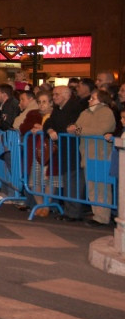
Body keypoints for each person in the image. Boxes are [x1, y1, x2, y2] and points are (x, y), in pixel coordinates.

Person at [69, 89, 116, 227]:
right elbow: (76, 127)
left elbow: (100, 130)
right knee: (92, 186)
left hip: (100, 153)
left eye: (93, 98)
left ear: (101, 100)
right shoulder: (85, 112)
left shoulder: (106, 112)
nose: (89, 100)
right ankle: (97, 212)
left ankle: (102, 216)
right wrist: (74, 129)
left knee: (100, 186)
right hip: (87, 153)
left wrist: (77, 130)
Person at [42, 85, 84, 221]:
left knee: (73, 180)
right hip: (63, 149)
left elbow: (65, 127)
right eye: (53, 95)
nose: (54, 97)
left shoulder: (74, 108)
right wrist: (49, 130)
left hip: (73, 149)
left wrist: (55, 129)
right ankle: (68, 210)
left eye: (56, 95)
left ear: (66, 95)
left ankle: (73, 212)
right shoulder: (58, 109)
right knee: (67, 179)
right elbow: (49, 122)